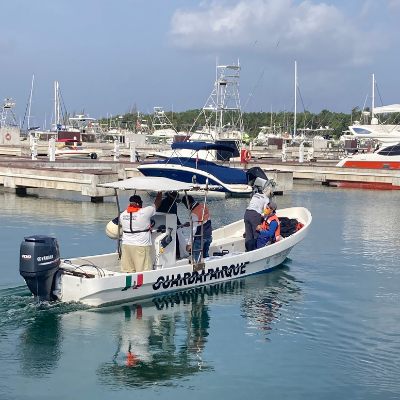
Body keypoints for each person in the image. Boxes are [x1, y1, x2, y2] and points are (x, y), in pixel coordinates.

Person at [119, 192, 162, 273]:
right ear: (138, 204)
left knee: (129, 270)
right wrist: (160, 192)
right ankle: (142, 284)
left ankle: (131, 284)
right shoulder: (144, 213)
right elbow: (157, 202)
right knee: (143, 270)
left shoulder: (123, 214)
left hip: (126, 245)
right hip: (140, 245)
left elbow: (122, 226)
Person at [156, 191, 189, 258]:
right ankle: (177, 254)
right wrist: (181, 225)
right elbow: (175, 217)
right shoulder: (172, 204)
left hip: (160, 224)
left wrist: (180, 225)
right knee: (176, 236)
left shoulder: (163, 202)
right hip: (169, 225)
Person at [182, 195, 212, 262]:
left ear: (188, 203)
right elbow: (203, 220)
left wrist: (189, 244)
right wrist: (191, 223)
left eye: (185, 205)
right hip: (208, 235)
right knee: (205, 256)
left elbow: (194, 229)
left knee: (197, 258)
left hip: (200, 238)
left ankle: (198, 270)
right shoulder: (203, 206)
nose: (186, 207)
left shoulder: (194, 213)